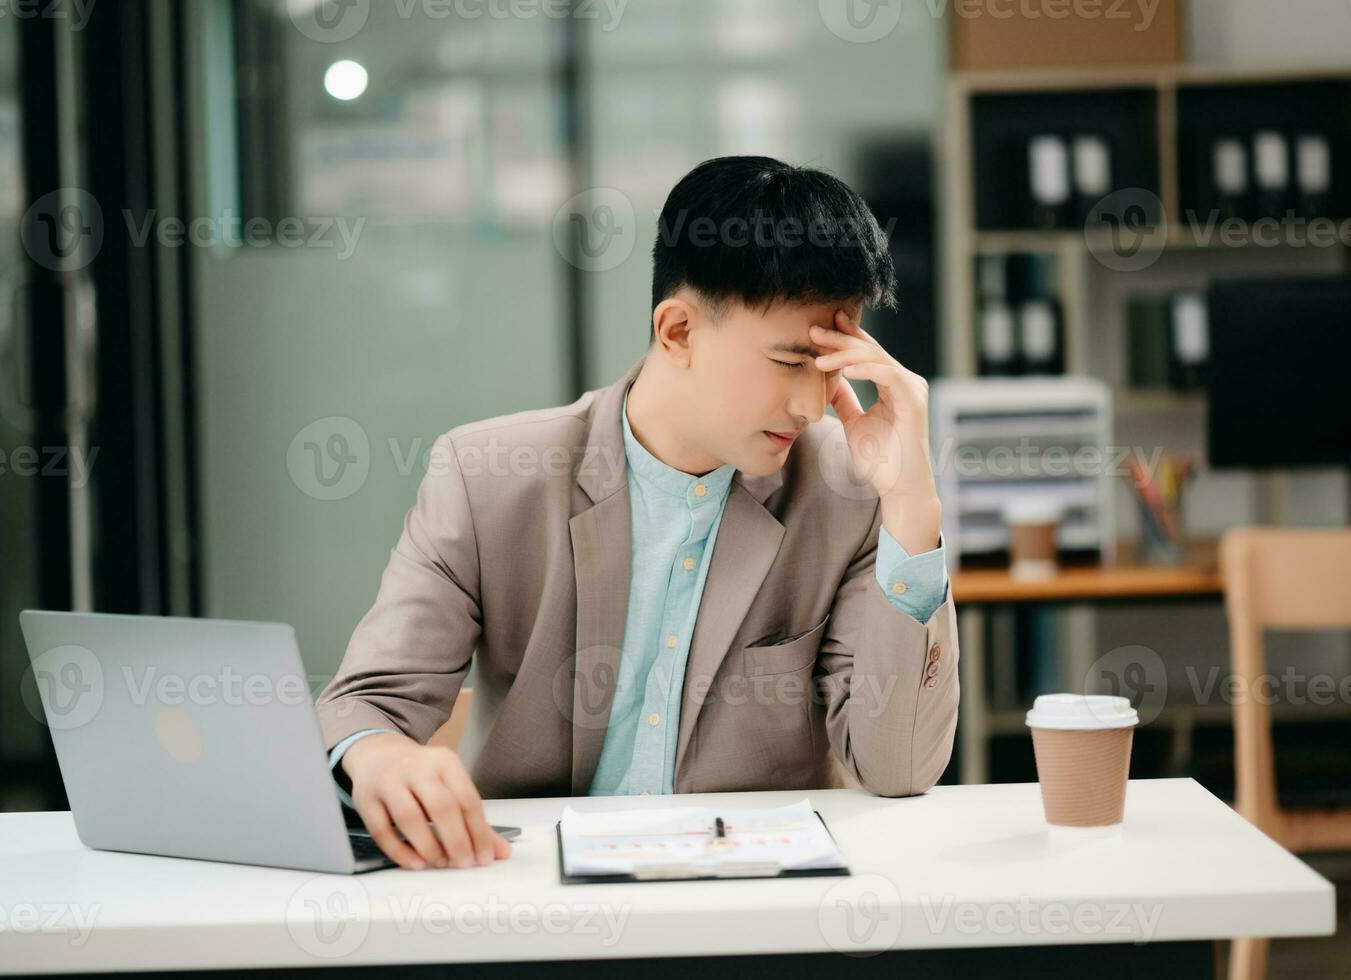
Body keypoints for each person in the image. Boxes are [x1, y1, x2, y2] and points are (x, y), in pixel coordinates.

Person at [317, 155, 958, 872]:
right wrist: (377, 755)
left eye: (831, 368)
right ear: (677, 330)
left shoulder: (847, 492)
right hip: (533, 905)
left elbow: (897, 766)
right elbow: (367, 704)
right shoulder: (488, 479)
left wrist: (911, 503)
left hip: (757, 910)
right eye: (788, 362)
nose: (813, 407)